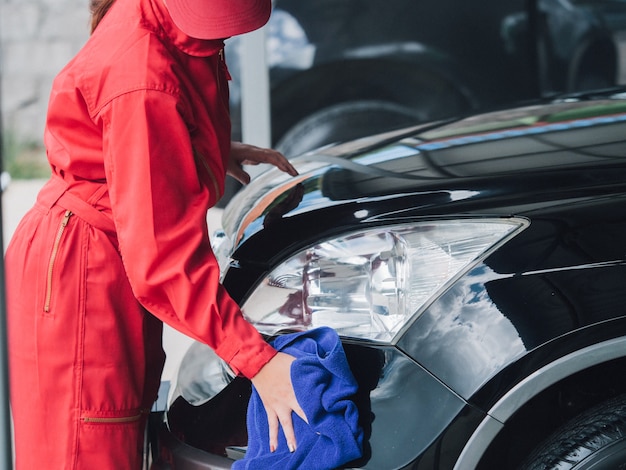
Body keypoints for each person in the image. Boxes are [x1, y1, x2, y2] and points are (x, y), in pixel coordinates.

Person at [4, 0, 305, 468]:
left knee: (120, 437)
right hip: (85, 278)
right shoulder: (139, 78)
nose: (222, 39)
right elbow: (164, 259)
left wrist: (197, 146)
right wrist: (259, 362)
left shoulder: (150, 14)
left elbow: (123, 135)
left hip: (95, 253)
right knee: (90, 451)